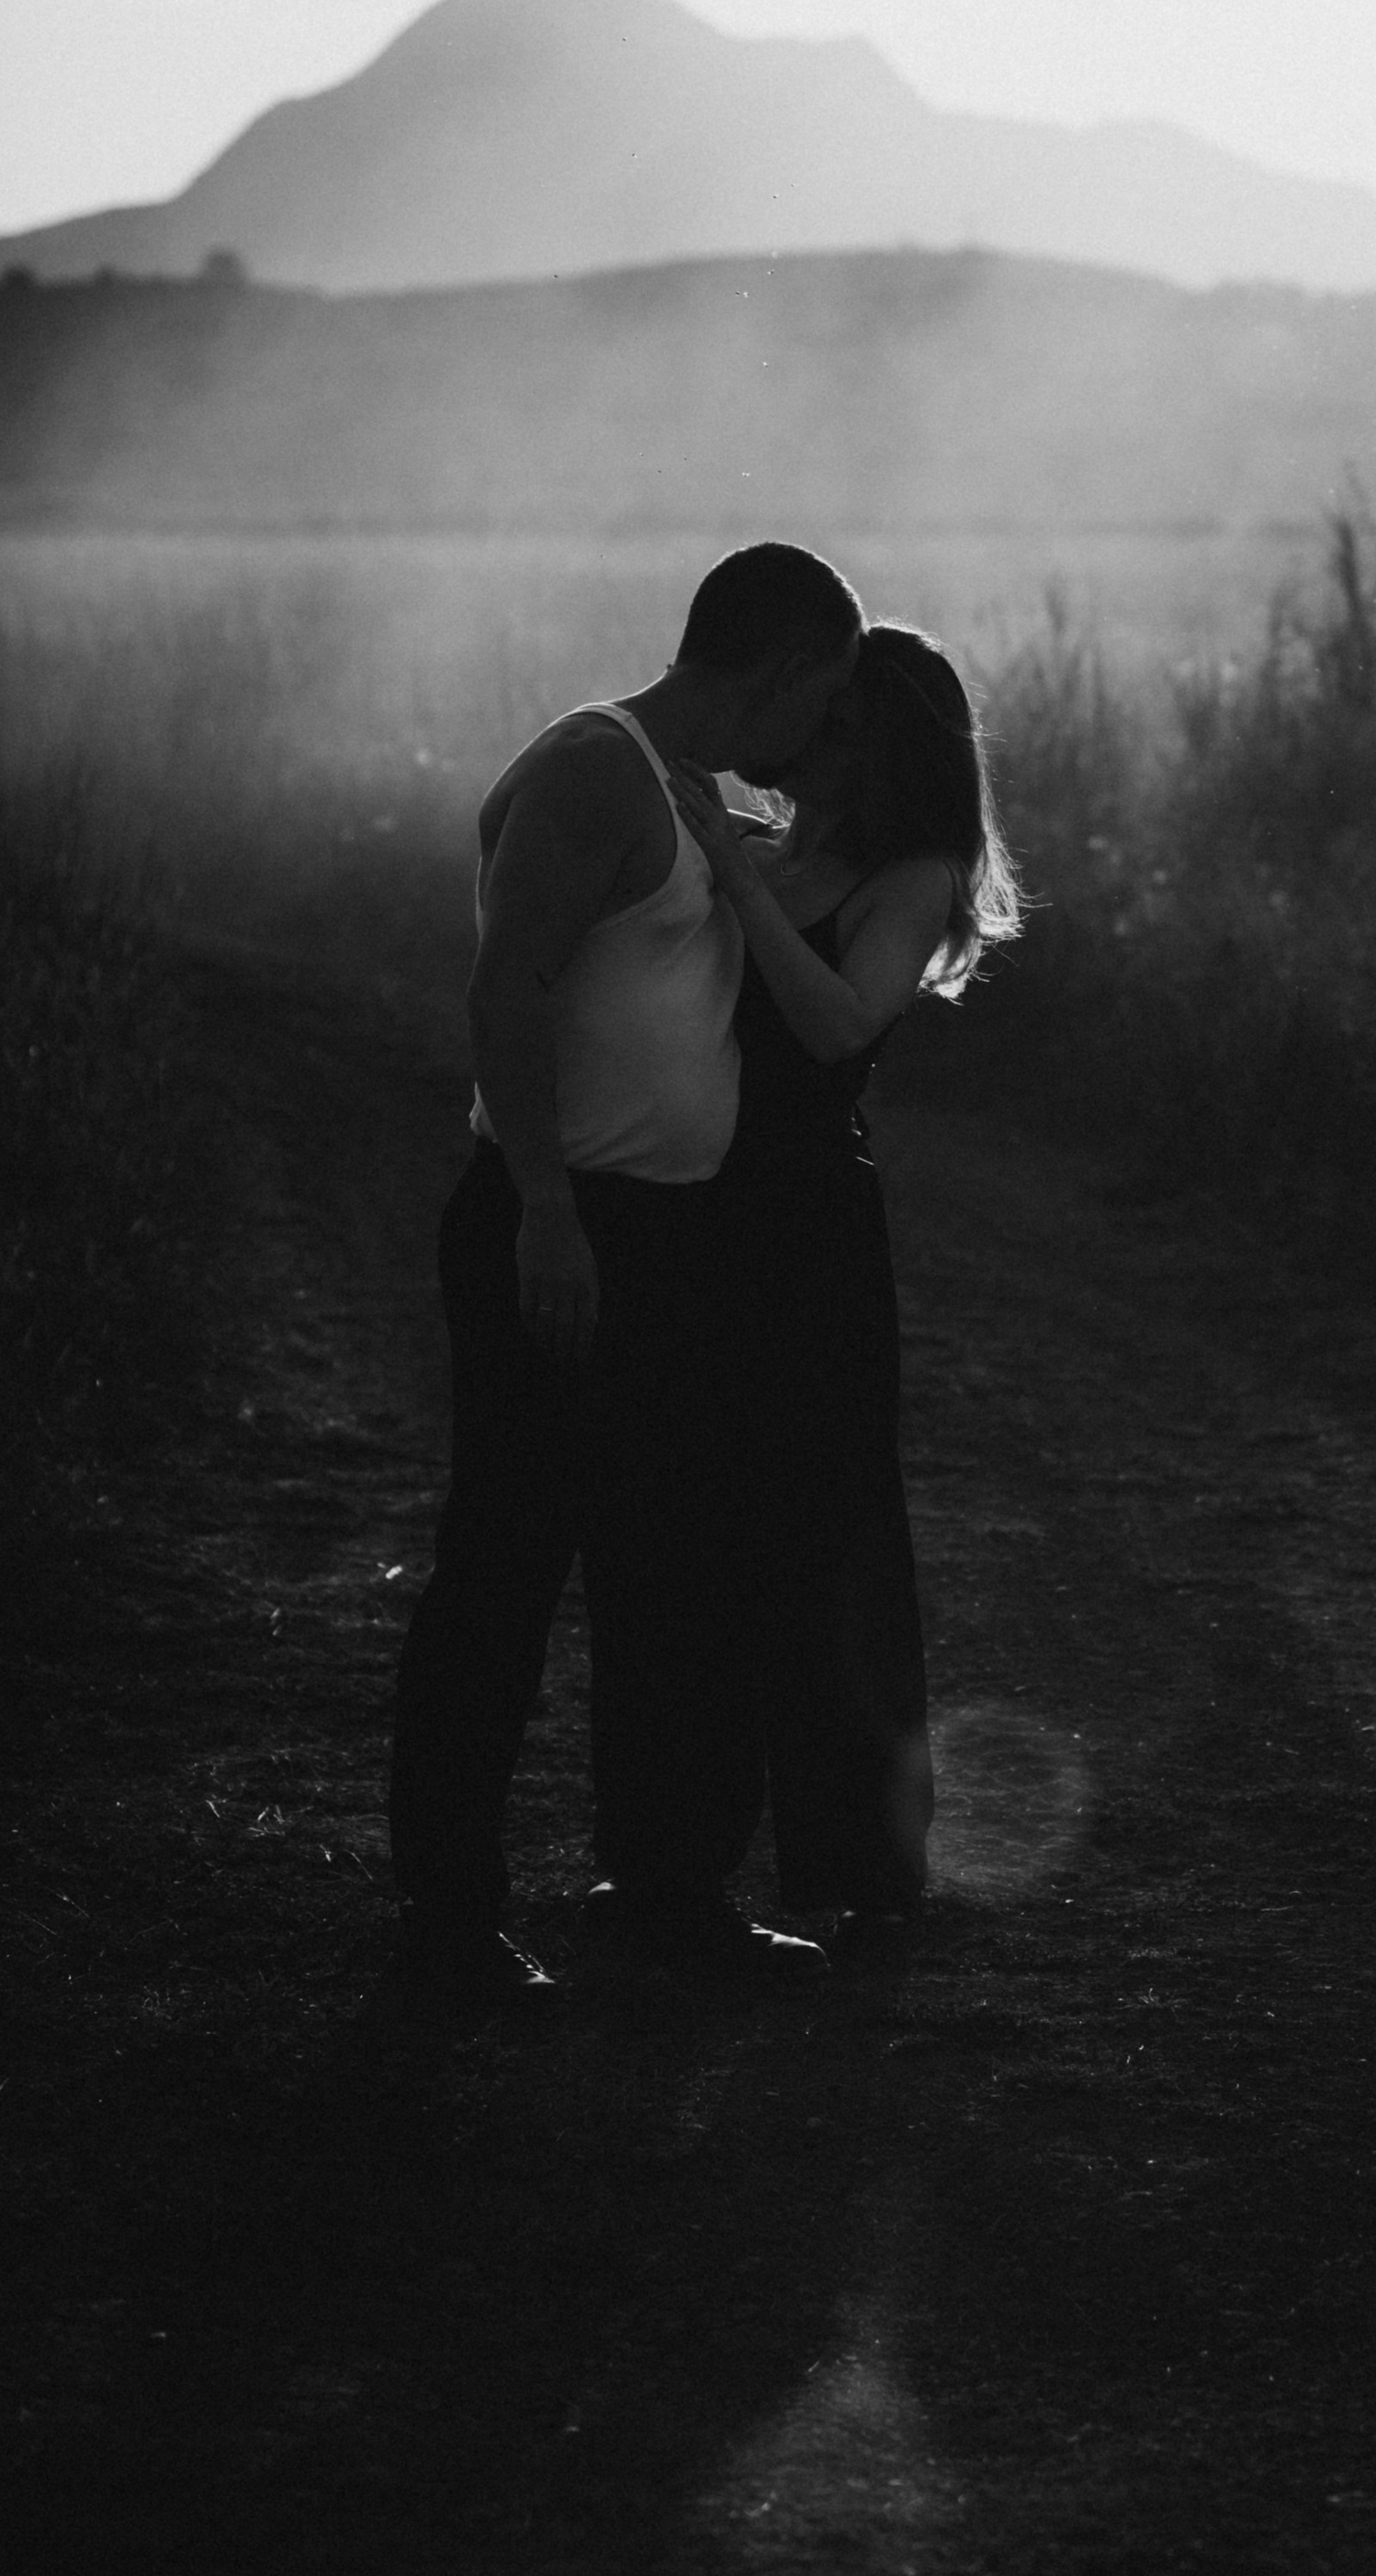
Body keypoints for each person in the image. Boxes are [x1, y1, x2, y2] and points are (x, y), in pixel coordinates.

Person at [388, 541, 862, 2004]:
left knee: (671, 1573)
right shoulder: (598, 769)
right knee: (511, 1562)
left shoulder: (698, 800)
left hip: (664, 1238)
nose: (818, 730)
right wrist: (543, 1210)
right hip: (562, 1221)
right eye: (821, 696)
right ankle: (450, 1921)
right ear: (780, 669)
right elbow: (504, 985)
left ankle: (661, 1892)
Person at [664, 622, 1021, 1931]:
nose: (796, 739)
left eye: (828, 722)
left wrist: (736, 880)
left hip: (806, 1231)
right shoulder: (771, 847)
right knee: (697, 1541)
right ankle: (681, 1861)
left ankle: (857, 1874)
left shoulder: (907, 873)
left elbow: (833, 1027)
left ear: (873, 743)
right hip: (695, 1208)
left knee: (824, 1545)